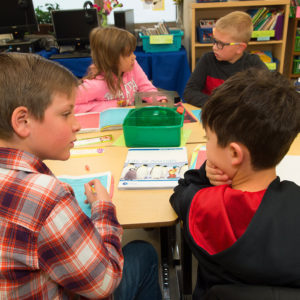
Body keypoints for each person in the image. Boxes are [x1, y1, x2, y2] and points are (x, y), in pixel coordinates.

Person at [0, 52, 162, 300]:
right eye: (66, 114)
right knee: (143, 253)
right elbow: (103, 283)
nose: (76, 124)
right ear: (22, 121)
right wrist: (103, 206)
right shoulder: (46, 196)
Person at [170, 68, 300, 299]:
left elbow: (181, 191)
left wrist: (204, 174)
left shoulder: (207, 205)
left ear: (234, 153)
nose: (207, 145)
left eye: (208, 138)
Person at [183, 11, 268, 107]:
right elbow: (189, 92)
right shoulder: (207, 60)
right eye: (214, 41)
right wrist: (221, 106)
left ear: (240, 48)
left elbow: (267, 94)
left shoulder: (253, 64)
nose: (214, 47)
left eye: (221, 44)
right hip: (211, 113)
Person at [75, 26, 157, 113]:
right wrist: (110, 106)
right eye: (129, 54)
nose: (134, 57)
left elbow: (145, 87)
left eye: (133, 52)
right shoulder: (95, 85)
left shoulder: (133, 66)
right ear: (112, 59)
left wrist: (159, 100)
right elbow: (68, 105)